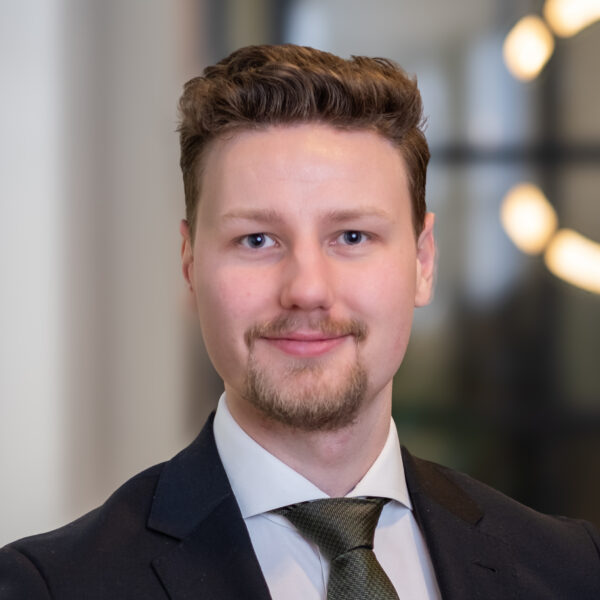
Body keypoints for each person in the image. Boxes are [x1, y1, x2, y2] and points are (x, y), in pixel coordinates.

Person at [1, 44, 598, 600]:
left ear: (422, 261)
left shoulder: (575, 569)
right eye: (257, 239)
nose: (307, 290)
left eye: (352, 236)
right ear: (189, 264)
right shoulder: (47, 586)